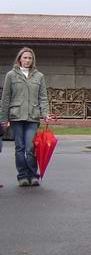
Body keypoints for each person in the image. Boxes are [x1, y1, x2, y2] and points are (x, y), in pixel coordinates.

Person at [0, 47, 51, 187]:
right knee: (19, 148)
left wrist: (45, 113)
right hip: (16, 117)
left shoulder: (39, 76)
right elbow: (6, 98)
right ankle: (22, 176)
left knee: (30, 147)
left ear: (33, 60)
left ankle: (33, 175)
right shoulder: (11, 75)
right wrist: (3, 118)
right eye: (25, 57)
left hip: (32, 117)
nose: (27, 60)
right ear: (19, 59)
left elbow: (43, 97)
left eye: (30, 58)